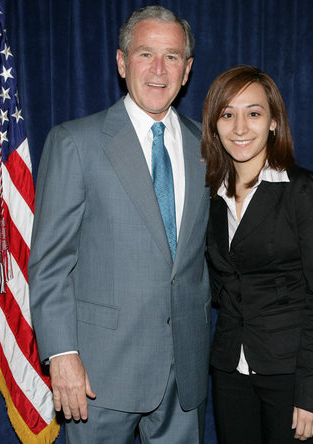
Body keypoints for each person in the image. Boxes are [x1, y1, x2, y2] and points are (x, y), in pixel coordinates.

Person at [28, 6, 211, 443]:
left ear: (186, 71)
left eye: (172, 57)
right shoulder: (75, 142)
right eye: (146, 53)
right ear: (122, 61)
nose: (158, 69)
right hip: (98, 375)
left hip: (183, 376)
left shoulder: (206, 145)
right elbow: (49, 264)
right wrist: (61, 354)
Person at [201, 66, 313, 443]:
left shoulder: (304, 191)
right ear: (215, 125)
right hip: (230, 373)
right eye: (228, 114)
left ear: (274, 122)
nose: (240, 127)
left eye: (254, 113)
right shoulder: (209, 198)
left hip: (293, 377)